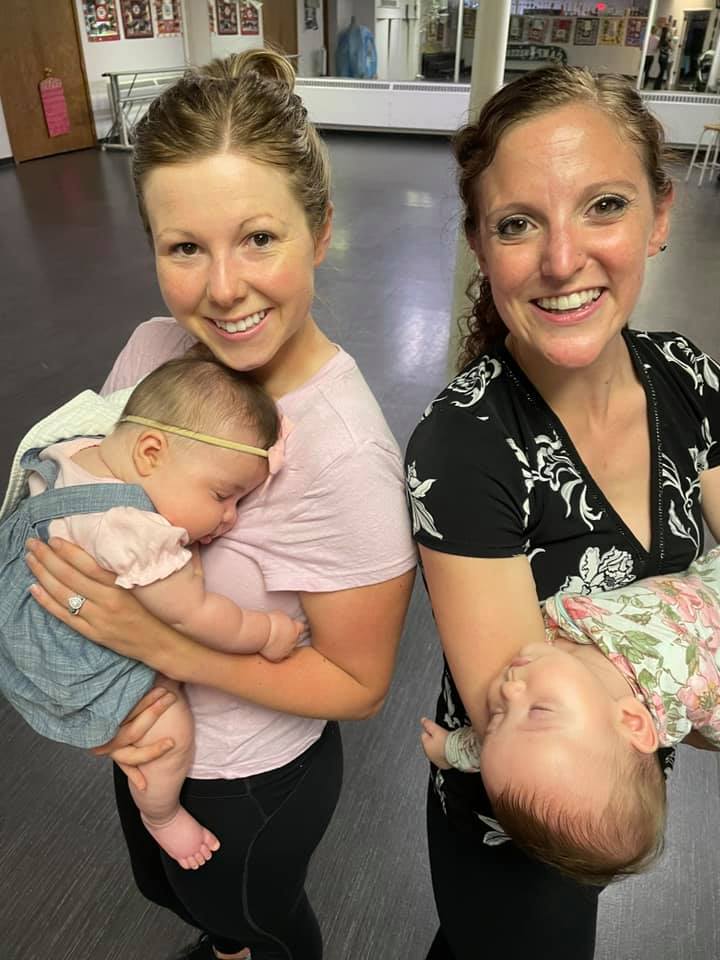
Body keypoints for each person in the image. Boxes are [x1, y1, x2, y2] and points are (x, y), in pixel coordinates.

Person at [24, 49, 416, 960]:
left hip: (249, 778)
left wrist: (152, 640)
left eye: (259, 238)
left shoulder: (348, 458)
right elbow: (95, 482)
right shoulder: (153, 349)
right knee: (173, 895)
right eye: (185, 248)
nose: (224, 288)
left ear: (320, 231)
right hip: (147, 735)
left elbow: (359, 687)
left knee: (256, 922)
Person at [404, 64, 720, 959]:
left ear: (660, 217)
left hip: (623, 787)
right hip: (512, 827)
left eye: (604, 206)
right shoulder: (463, 449)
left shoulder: (686, 377)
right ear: (479, 243)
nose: (561, 259)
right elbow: (526, 708)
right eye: (517, 224)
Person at [1, 356, 305, 872]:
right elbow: (197, 616)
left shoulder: (72, 450)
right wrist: (267, 630)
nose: (229, 519)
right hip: (65, 654)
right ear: (149, 452)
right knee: (167, 730)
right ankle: (161, 815)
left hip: (19, 618)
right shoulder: (131, 529)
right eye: (222, 496)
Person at [421, 545, 720, 884]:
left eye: (498, 719)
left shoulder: (528, 736)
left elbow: (488, 750)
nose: (506, 692)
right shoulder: (688, 682)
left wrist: (447, 749)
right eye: (538, 709)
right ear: (632, 721)